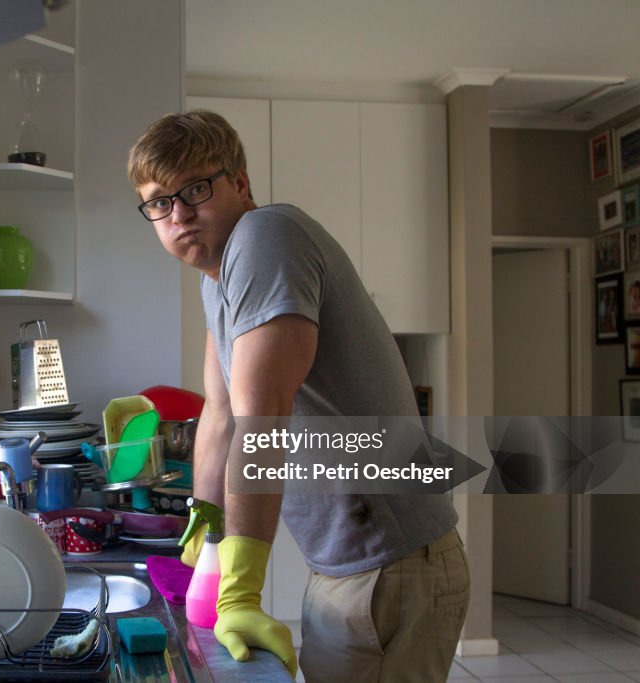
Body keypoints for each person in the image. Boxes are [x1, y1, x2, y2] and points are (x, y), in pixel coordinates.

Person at [127, 110, 469, 682]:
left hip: (390, 565)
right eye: (159, 202)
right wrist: (205, 523)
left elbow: (263, 419)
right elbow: (220, 414)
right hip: (349, 565)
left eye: (195, 189)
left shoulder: (265, 237)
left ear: (240, 183)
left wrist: (239, 590)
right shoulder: (216, 278)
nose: (179, 213)